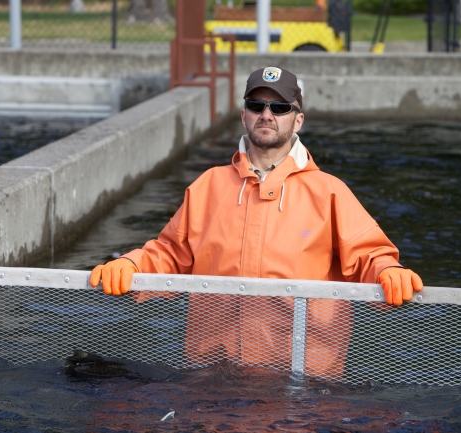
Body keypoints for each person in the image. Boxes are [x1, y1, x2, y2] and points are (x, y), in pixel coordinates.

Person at [89, 66, 423, 378]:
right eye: (256, 105)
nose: (266, 114)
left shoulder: (330, 191)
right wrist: (132, 264)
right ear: (243, 115)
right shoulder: (208, 185)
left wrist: (388, 270)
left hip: (304, 383)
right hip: (213, 377)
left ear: (298, 120)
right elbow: (169, 254)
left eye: (280, 108)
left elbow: (369, 254)